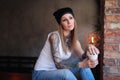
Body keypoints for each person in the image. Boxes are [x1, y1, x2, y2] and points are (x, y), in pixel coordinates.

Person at [32, 7, 100, 80]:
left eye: (71, 18)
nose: (69, 22)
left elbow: (85, 58)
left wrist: (90, 49)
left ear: (74, 19)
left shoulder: (74, 42)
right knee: (66, 73)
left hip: (55, 71)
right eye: (64, 20)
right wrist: (81, 64)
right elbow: (58, 65)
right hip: (40, 74)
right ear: (60, 23)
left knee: (82, 63)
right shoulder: (54, 37)